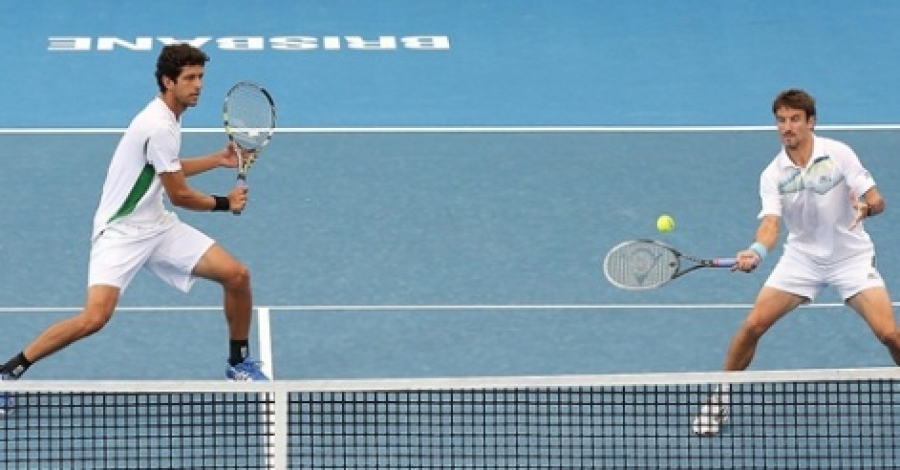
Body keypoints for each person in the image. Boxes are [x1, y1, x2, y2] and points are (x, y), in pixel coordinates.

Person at [0, 43, 268, 413]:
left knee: (237, 276)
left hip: (155, 224)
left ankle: (238, 363)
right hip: (121, 232)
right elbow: (180, 196)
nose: (198, 85)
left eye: (201, 77)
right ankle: (7, 372)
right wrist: (226, 202)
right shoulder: (158, 125)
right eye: (189, 78)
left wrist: (216, 159)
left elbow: (165, 169)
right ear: (167, 81)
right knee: (95, 317)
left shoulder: (168, 119)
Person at [692, 88, 900, 435]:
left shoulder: (838, 154)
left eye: (794, 119)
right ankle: (719, 399)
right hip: (803, 259)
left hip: (850, 257)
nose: (787, 127)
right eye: (781, 120)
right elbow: (771, 223)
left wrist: (867, 208)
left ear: (810, 122)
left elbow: (877, 200)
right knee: (753, 325)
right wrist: (757, 251)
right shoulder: (772, 174)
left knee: (889, 334)